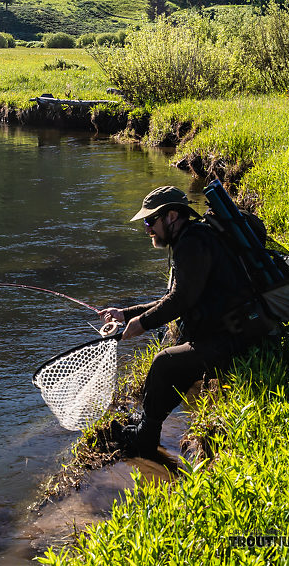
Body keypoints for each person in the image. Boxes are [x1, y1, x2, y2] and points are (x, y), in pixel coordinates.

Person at [98, 185, 261, 457]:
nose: (148, 229)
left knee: (164, 363)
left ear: (172, 216)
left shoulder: (192, 244)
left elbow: (180, 300)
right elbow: (173, 297)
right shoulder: (194, 238)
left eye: (151, 221)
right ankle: (146, 426)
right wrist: (126, 314)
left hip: (237, 335)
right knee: (172, 364)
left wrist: (142, 323)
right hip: (229, 329)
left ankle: (145, 438)